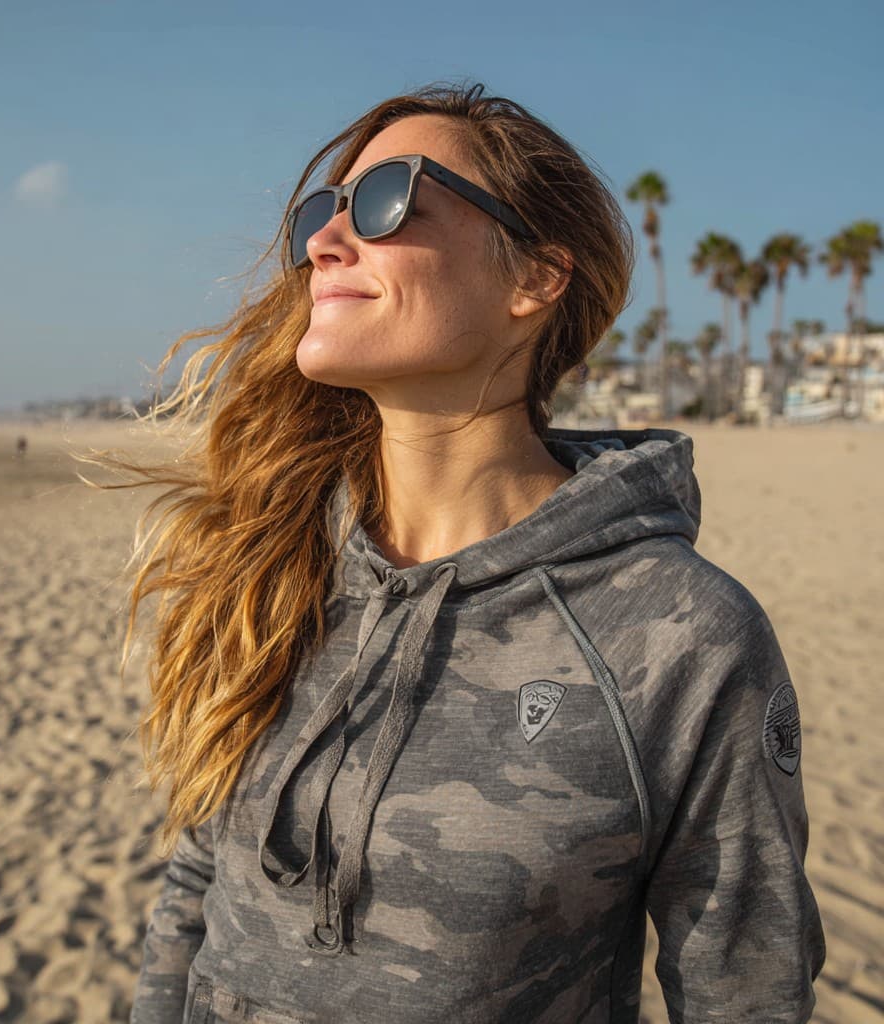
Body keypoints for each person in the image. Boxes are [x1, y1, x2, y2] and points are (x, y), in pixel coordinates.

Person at [120, 83, 825, 1023]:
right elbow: (201, 885)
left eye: (387, 201)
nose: (326, 244)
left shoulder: (679, 634)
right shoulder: (279, 564)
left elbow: (748, 995)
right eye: (322, 214)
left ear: (534, 279)